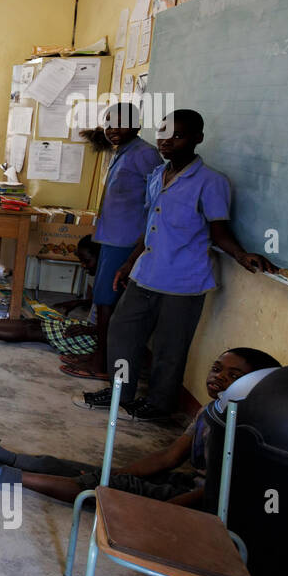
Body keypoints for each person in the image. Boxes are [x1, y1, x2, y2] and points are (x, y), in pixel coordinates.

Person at [75, 110, 276, 421]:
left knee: (171, 347)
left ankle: (159, 403)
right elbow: (150, 226)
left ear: (198, 139)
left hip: (183, 280)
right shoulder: (157, 175)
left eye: (178, 136)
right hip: (146, 273)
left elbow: (218, 230)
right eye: (164, 134)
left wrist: (242, 255)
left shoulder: (211, 182)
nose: (167, 141)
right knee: (122, 332)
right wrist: (129, 262)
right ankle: (120, 392)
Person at [0, 348, 281, 504]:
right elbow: (167, 458)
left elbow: (215, 493)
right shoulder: (210, 411)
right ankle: (2, 455)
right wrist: (112, 471)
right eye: (217, 368)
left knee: (108, 489)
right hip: (187, 484)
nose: (219, 377)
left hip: (196, 503)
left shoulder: (247, 434)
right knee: (91, 470)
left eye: (234, 375)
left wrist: (163, 509)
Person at [62, 102, 162, 382]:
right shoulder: (123, 152)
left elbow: (156, 202)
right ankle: (100, 355)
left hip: (127, 240)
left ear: (137, 125)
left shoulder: (145, 154)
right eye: (108, 123)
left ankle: (103, 364)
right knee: (105, 300)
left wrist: (137, 247)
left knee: (108, 302)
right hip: (112, 236)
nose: (112, 129)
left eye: (119, 123)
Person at [0, 236, 100, 357]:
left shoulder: (112, 284)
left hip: (95, 337)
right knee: (33, 323)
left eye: (87, 261)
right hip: (91, 329)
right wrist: (78, 302)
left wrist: (89, 331)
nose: (83, 266)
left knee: (33, 330)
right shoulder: (104, 277)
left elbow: (114, 327)